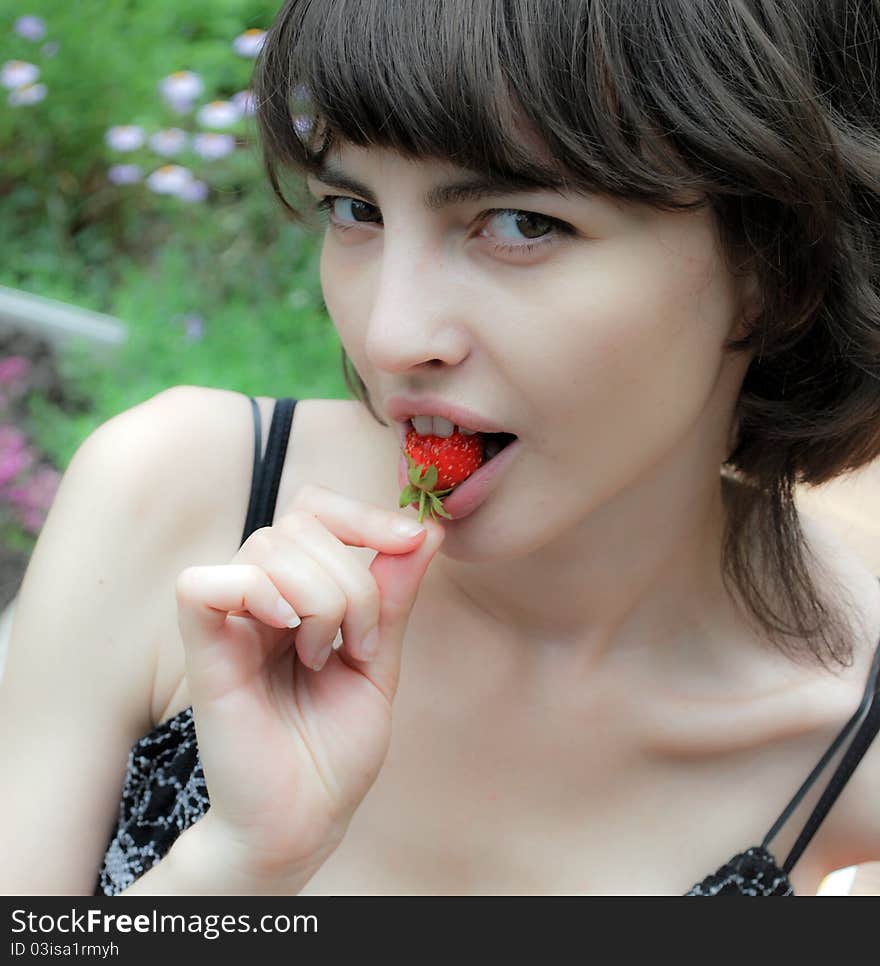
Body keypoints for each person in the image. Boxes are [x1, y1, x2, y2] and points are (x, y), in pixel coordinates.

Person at [2, 0, 879, 897]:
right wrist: (238, 864)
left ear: (774, 269)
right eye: (354, 208)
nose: (389, 335)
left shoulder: (842, 746)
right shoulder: (179, 507)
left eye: (521, 224)